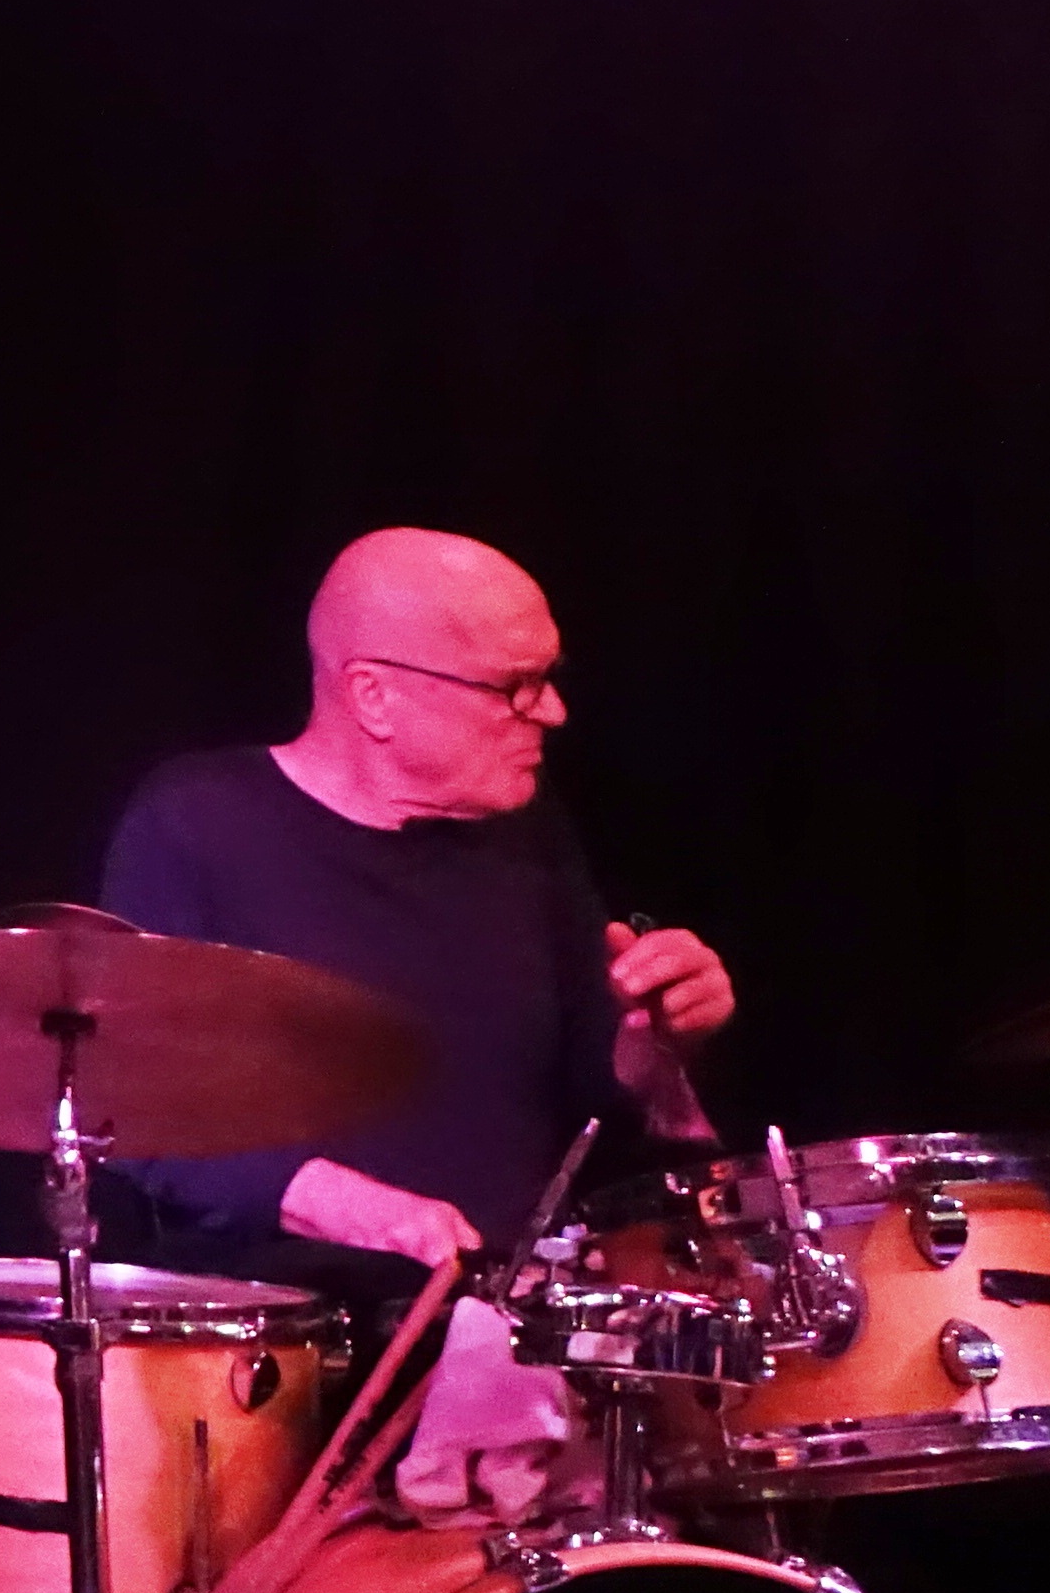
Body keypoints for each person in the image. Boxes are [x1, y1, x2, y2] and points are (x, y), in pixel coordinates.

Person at [100, 527, 737, 1510]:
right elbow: (135, 1115)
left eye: (551, 678)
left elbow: (592, 1100)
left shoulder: (527, 835)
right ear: (373, 696)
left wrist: (662, 1051)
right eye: (514, 688)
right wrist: (358, 1205)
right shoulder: (201, 822)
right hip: (286, 1381)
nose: (552, 714)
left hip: (517, 1364)